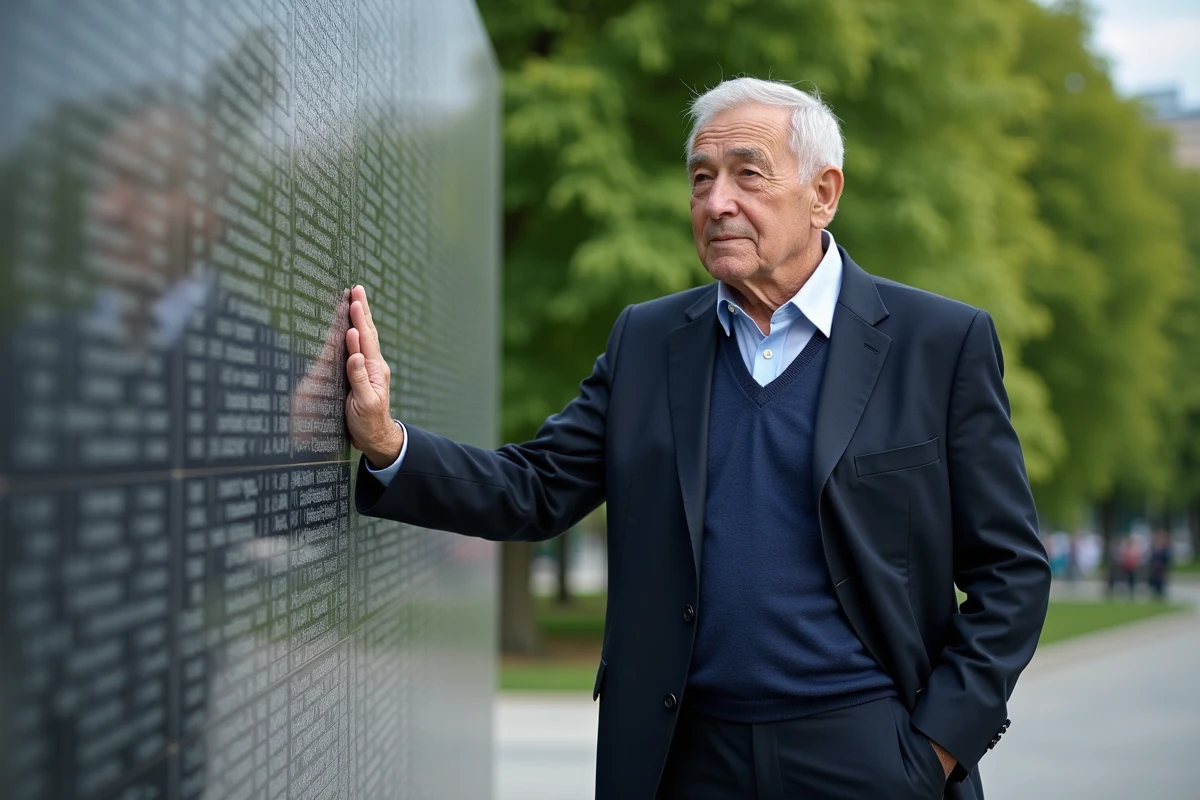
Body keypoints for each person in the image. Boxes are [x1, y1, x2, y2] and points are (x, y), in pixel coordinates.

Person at [346, 78, 1051, 800]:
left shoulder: (939, 343)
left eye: (748, 174)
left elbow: (1012, 572)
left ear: (824, 192)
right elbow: (535, 489)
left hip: (870, 753)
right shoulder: (648, 343)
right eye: (701, 180)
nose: (717, 203)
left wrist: (933, 748)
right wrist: (385, 441)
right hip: (682, 758)